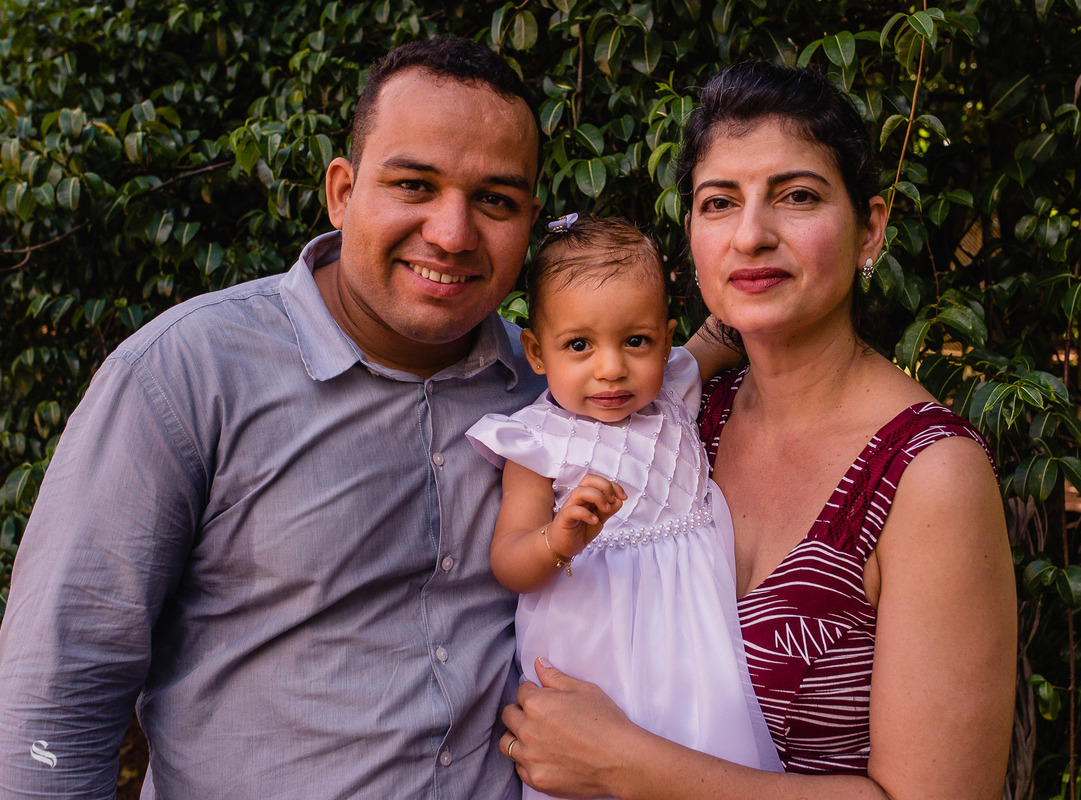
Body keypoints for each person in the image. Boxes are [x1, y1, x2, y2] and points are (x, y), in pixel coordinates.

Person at [0, 38, 543, 799]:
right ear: (342, 191)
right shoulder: (187, 374)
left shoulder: (547, 389)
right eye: (415, 184)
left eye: (495, 199)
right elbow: (56, 690)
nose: (452, 233)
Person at [496, 62, 1018, 800]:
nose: (750, 235)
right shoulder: (672, 415)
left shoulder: (930, 476)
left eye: (796, 196)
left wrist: (629, 766)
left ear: (870, 227)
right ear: (692, 239)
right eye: (719, 203)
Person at [465, 214, 781, 799]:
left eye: (635, 341)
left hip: (695, 641)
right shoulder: (535, 443)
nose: (611, 368)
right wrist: (557, 539)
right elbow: (509, 560)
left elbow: (715, 338)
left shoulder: (672, 391)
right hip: (592, 640)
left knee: (699, 761)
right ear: (536, 351)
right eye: (579, 345)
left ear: (664, 337)